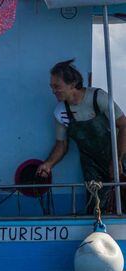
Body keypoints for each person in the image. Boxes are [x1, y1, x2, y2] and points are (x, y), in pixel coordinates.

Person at [36, 59, 126, 213]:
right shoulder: (60, 112)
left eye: (57, 86)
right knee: (97, 208)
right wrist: (48, 164)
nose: (53, 91)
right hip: (92, 167)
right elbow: (62, 145)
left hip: (120, 158)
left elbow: (124, 125)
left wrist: (117, 159)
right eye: (52, 87)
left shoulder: (99, 98)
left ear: (72, 84)